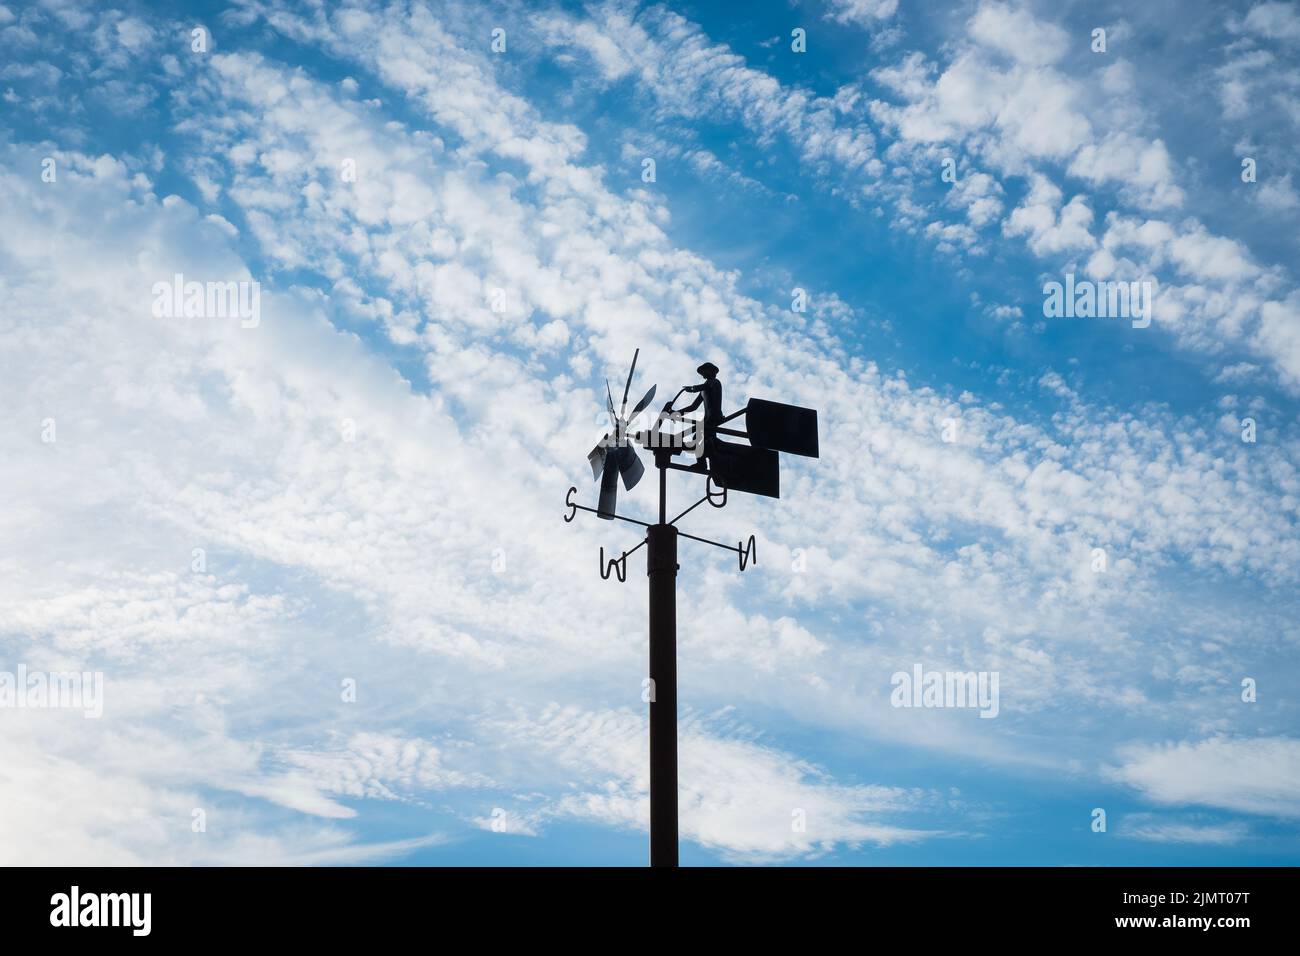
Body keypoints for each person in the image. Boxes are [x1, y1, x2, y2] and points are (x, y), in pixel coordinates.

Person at [671, 362, 722, 467]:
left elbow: (705, 386)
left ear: (712, 371)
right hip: (707, 418)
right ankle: (706, 461)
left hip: (714, 416)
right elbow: (693, 407)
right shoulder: (704, 389)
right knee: (703, 440)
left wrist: (692, 388)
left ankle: (703, 463)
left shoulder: (714, 382)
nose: (702, 373)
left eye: (705, 370)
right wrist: (678, 413)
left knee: (699, 438)